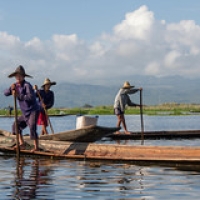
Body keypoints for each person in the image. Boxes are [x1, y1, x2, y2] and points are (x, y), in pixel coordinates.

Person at [4, 65, 40, 151]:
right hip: (25, 113)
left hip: (33, 110)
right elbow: (5, 93)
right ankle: (22, 144)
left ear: (23, 76)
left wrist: (19, 95)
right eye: (17, 76)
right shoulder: (15, 85)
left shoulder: (27, 85)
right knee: (16, 125)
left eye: (20, 75)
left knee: (32, 127)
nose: (18, 77)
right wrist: (11, 89)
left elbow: (31, 97)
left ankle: (36, 147)